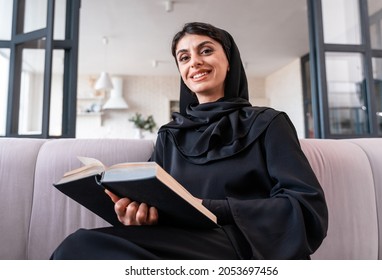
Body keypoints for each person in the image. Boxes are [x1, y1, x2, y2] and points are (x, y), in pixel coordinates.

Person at [51, 22, 328, 260]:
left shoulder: (268, 123)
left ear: (229, 60)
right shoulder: (170, 135)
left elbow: (305, 207)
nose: (194, 62)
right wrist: (135, 213)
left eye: (206, 51)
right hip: (177, 242)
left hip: (242, 242)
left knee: (79, 247)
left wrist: (210, 206)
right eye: (183, 57)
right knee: (80, 246)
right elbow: (151, 196)